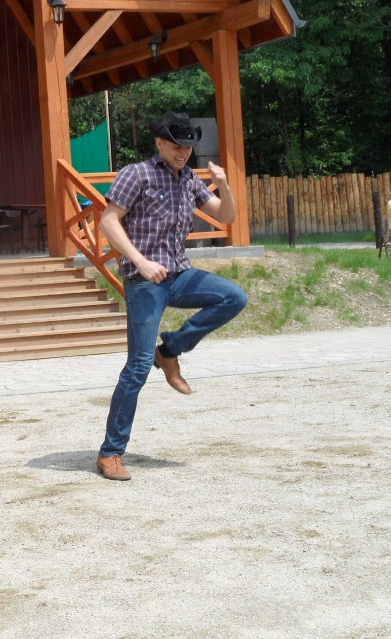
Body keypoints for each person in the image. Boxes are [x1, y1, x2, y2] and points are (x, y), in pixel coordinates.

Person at [95, 112, 248, 481]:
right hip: (145, 280)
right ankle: (110, 453)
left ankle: (172, 349)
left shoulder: (190, 179)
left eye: (187, 147)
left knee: (233, 297)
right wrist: (140, 262)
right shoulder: (138, 174)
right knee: (136, 368)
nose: (183, 153)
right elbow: (108, 221)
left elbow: (225, 215)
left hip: (180, 274)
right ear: (160, 143)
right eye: (177, 146)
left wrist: (223, 185)